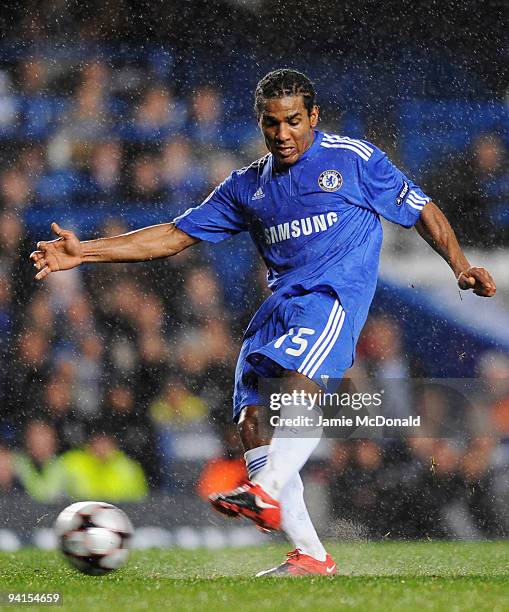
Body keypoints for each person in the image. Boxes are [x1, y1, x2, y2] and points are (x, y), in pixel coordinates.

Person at [30, 69, 496, 576]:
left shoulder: (353, 161)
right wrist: (87, 253)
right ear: (260, 123)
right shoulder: (246, 186)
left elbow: (422, 208)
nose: (283, 134)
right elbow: (174, 234)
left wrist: (460, 265)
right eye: (272, 123)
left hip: (331, 299)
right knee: (252, 421)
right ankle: (310, 555)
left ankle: (267, 491)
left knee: (299, 385)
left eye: (294, 121)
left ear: (313, 117)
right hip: (277, 310)